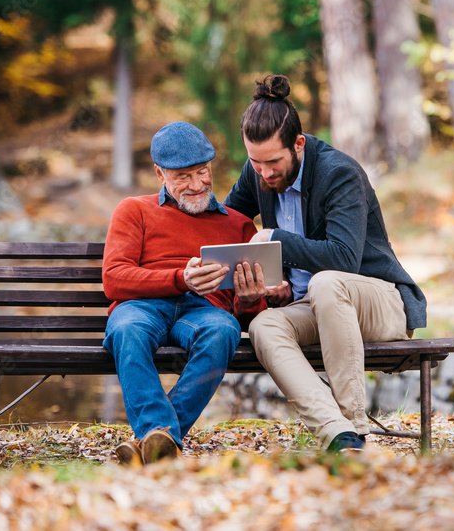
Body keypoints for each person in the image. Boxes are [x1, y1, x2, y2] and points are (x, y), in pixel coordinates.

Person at [224, 74, 428, 453]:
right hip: (313, 309)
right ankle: (339, 434)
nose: (265, 173)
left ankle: (355, 423)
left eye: (273, 162)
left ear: (298, 144)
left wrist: (277, 242)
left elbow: (344, 257)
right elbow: (224, 223)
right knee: (265, 325)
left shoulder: (339, 173)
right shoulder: (258, 175)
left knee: (327, 282)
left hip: (377, 301)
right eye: (255, 162)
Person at [102, 121, 278, 465]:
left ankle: (155, 438)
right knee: (126, 330)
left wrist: (248, 298)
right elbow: (114, 278)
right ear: (159, 173)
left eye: (203, 172)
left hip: (204, 311)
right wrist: (181, 278)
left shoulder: (238, 224)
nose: (197, 185)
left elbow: (249, 312)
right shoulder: (134, 210)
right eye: (183, 176)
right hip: (141, 307)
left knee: (223, 329)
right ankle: (161, 433)